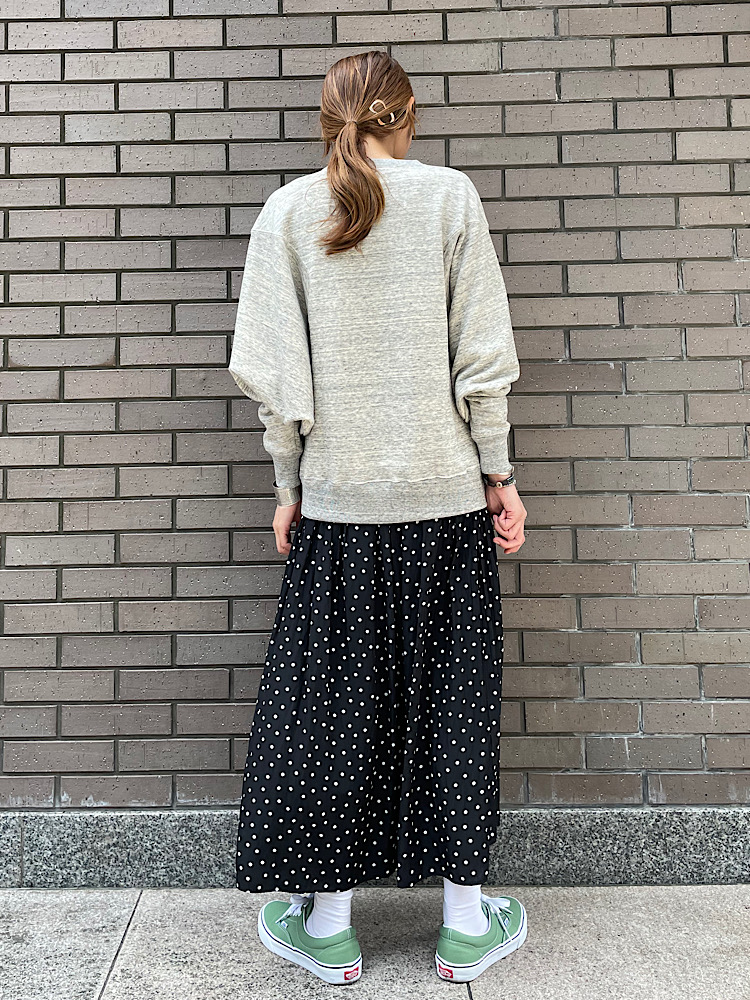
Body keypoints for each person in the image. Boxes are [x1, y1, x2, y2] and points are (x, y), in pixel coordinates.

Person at [229, 49, 528, 986]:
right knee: (454, 703)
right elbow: (483, 354)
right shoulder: (450, 197)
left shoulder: (288, 211)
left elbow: (276, 380)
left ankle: (326, 927)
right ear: (408, 115)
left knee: (332, 711)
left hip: (338, 507)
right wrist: (498, 472)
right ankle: (466, 926)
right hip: (445, 504)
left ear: (328, 120)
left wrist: (289, 486)